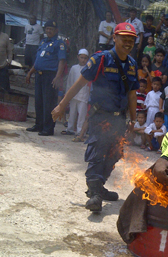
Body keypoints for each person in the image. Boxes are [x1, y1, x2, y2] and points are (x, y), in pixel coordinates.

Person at [51, 22, 139, 213]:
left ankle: (99, 188)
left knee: (114, 153)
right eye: (124, 38)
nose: (128, 43)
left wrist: (133, 119)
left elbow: (132, 94)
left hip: (119, 118)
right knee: (98, 153)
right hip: (101, 116)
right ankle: (95, 195)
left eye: (131, 40)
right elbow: (79, 84)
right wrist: (61, 105)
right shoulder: (100, 59)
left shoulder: (132, 65)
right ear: (114, 38)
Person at [26, 20, 66, 135]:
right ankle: (39, 125)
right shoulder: (43, 42)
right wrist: (30, 72)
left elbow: (61, 61)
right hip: (39, 75)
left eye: (51, 29)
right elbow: (39, 60)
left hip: (50, 76)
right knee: (39, 102)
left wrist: (58, 77)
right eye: (47, 29)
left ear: (56, 31)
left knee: (49, 103)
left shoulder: (59, 43)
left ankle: (48, 128)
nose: (49, 31)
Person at [63, 49, 90, 136]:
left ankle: (80, 131)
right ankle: (69, 129)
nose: (83, 60)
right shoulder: (74, 68)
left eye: (85, 58)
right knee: (72, 113)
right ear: (78, 57)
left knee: (82, 115)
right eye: (81, 57)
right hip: (74, 95)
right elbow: (70, 82)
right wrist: (67, 95)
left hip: (84, 96)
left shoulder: (89, 69)